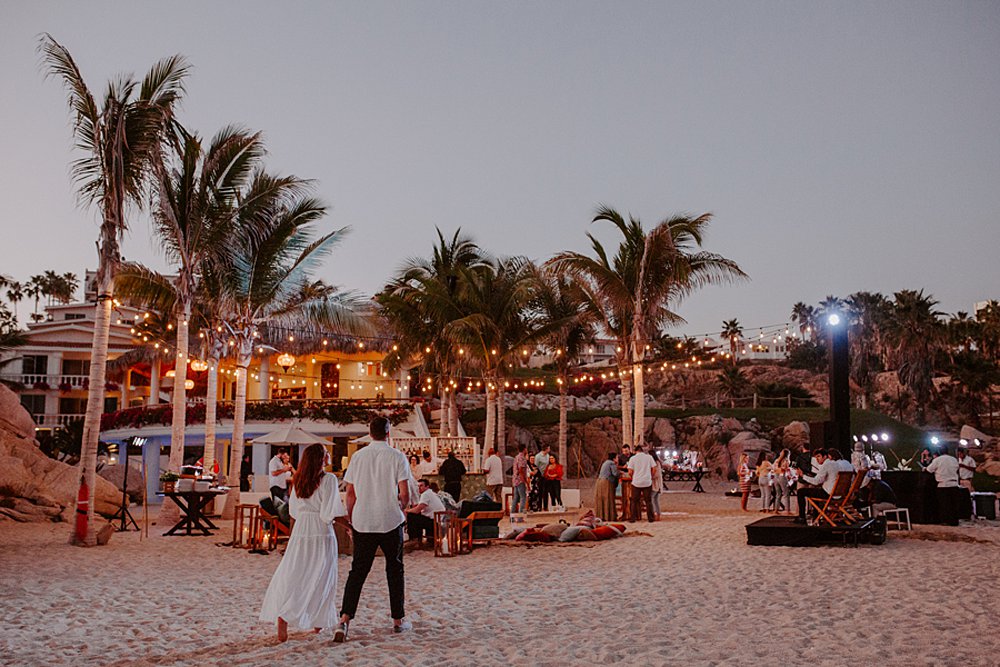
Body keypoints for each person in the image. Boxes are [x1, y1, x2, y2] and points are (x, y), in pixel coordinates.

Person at [260, 443, 347, 642]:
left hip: (301, 530)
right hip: (320, 531)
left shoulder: (298, 479)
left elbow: (294, 511)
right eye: (325, 453)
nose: (328, 455)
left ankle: (284, 616)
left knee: (296, 572)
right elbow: (329, 513)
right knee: (322, 575)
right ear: (320, 458)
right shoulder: (329, 479)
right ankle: (317, 623)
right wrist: (350, 526)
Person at [335, 416, 412, 642]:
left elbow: (350, 493)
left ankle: (344, 620)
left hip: (364, 521)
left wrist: (351, 518)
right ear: (388, 433)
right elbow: (405, 494)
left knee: (357, 571)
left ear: (370, 433)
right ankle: (398, 620)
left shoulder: (358, 457)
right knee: (395, 570)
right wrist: (400, 506)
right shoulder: (397, 456)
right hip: (390, 519)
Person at [796, 449, 836, 523]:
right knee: (815, 491)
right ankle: (816, 516)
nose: (817, 459)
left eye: (819, 456)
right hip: (837, 493)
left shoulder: (826, 465)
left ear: (825, 456)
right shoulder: (835, 464)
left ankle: (802, 517)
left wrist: (803, 476)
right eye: (816, 457)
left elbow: (816, 481)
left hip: (828, 493)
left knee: (801, 491)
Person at [404, 478, 445, 546]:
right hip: (437, 520)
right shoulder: (431, 493)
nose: (419, 488)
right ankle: (418, 539)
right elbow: (420, 506)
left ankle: (414, 539)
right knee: (417, 516)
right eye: (418, 486)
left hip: (434, 523)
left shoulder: (426, 494)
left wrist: (406, 510)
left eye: (421, 486)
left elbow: (417, 510)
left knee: (412, 516)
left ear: (427, 487)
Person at [925, 447, 960, 526]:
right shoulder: (954, 459)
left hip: (943, 485)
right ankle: (954, 521)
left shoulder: (937, 460)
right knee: (954, 504)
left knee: (944, 504)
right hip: (954, 484)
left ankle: (946, 520)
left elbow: (929, 470)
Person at [626, 444, 657, 523]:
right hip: (647, 481)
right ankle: (650, 518)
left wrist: (633, 476)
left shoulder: (632, 458)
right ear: (642, 451)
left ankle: (633, 518)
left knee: (634, 500)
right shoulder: (649, 457)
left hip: (636, 482)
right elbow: (654, 468)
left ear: (636, 451)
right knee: (648, 501)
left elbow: (630, 471)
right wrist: (650, 476)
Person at [594, 452, 618, 521]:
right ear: (614, 458)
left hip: (600, 482)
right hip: (606, 482)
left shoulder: (605, 462)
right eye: (617, 458)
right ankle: (609, 517)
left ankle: (602, 516)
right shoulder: (611, 463)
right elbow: (615, 473)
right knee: (608, 499)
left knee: (602, 499)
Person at [772, 449, 791, 514]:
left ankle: (776, 509)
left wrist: (777, 470)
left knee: (778, 494)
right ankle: (787, 510)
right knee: (786, 494)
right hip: (782, 477)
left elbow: (773, 469)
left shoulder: (776, 460)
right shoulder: (786, 460)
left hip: (775, 477)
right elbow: (784, 469)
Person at [511, 444, 529, 514]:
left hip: (515, 480)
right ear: (524, 449)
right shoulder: (522, 458)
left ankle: (512, 515)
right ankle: (520, 516)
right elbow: (521, 470)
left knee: (515, 498)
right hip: (520, 480)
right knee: (523, 497)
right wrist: (525, 481)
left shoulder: (516, 457)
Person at [534, 445, 552, 510]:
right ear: (546, 449)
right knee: (540, 491)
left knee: (546, 491)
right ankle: (539, 506)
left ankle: (545, 506)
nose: (549, 450)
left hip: (546, 475)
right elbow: (536, 466)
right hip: (540, 475)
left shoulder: (548, 456)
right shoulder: (538, 456)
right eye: (548, 448)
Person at [649, 449, 663, 519]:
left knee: (651, 498)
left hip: (655, 483)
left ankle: (654, 513)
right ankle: (658, 513)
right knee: (655, 499)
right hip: (657, 484)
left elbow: (656, 474)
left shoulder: (656, 463)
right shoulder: (657, 462)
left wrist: (650, 476)